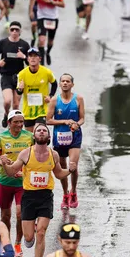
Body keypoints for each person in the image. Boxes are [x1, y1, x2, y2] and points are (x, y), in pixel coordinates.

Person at [0, 124, 76, 257]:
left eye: (44, 131)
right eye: (38, 130)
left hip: (45, 197)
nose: (41, 132)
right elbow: (12, 171)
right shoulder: (26, 153)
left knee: (41, 232)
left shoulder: (53, 155)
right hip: (28, 197)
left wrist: (70, 170)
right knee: (29, 237)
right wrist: (4, 163)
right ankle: (28, 238)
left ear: (48, 137)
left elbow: (59, 174)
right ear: (34, 136)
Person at [0, 110, 33, 257]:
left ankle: (17, 244)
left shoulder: (29, 137)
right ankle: (6, 244)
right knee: (5, 216)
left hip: (23, 183)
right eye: (16, 122)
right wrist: (1, 161)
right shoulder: (1, 138)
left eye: (22, 122)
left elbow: (35, 156)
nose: (20, 125)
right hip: (5, 181)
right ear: (9, 123)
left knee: (20, 214)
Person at [46, 73, 84, 210]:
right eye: (63, 81)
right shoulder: (55, 101)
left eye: (68, 81)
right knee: (62, 167)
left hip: (75, 137)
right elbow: (48, 120)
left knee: (73, 165)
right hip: (59, 137)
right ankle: (65, 194)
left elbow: (82, 118)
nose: (65, 83)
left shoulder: (78, 99)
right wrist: (64, 121)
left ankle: (73, 191)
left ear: (72, 84)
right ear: (60, 84)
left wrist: (77, 124)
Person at [0, 21, 30, 128]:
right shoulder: (3, 42)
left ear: (20, 31)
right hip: (6, 76)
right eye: (12, 30)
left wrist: (23, 57)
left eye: (16, 30)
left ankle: (14, 126)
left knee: (16, 104)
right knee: (7, 101)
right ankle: (6, 114)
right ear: (9, 31)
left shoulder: (24, 45)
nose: (14, 32)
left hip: (19, 77)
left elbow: (30, 62)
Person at [17, 47, 58, 132]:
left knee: (38, 132)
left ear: (40, 59)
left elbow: (54, 84)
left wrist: (50, 96)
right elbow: (18, 91)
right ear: (27, 59)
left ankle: (45, 142)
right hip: (28, 111)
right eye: (30, 56)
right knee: (31, 138)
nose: (33, 58)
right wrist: (20, 89)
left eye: (35, 56)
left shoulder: (46, 72)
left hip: (42, 110)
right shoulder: (22, 74)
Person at [29, 0, 65, 65]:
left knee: (50, 41)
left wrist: (51, 2)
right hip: (41, 17)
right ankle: (42, 63)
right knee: (41, 40)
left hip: (53, 18)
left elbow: (63, 4)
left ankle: (48, 52)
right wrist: (31, 10)